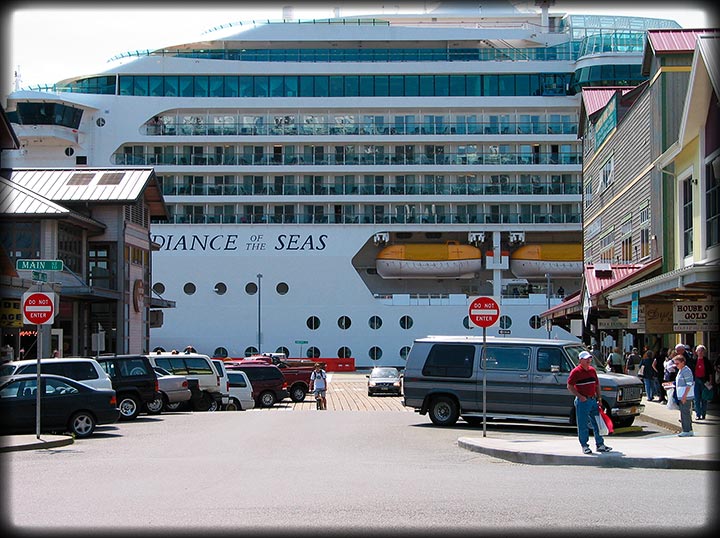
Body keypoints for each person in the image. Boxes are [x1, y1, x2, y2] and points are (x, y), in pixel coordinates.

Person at [567, 350, 612, 454]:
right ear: (580, 360)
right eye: (586, 359)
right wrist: (580, 396)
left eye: (589, 359)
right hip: (583, 401)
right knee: (583, 424)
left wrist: (599, 398)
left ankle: (600, 444)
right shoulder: (576, 372)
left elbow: (597, 385)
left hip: (592, 400)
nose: (589, 360)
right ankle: (584, 445)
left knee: (597, 423)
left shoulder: (592, 370)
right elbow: (569, 386)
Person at [673, 352, 695, 437]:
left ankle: (686, 430)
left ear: (683, 362)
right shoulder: (680, 370)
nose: (676, 365)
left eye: (677, 363)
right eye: (675, 363)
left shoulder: (686, 371)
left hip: (685, 396)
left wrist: (684, 396)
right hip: (681, 395)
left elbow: (689, 384)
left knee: (685, 413)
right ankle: (687, 429)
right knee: (684, 413)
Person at [692, 344, 711, 420]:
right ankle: (698, 414)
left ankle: (703, 414)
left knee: (704, 398)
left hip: (704, 381)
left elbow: (710, 372)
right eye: (699, 351)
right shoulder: (694, 360)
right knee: (696, 398)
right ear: (696, 352)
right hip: (696, 380)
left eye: (702, 351)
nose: (700, 352)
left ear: (704, 352)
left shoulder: (706, 361)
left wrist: (710, 381)